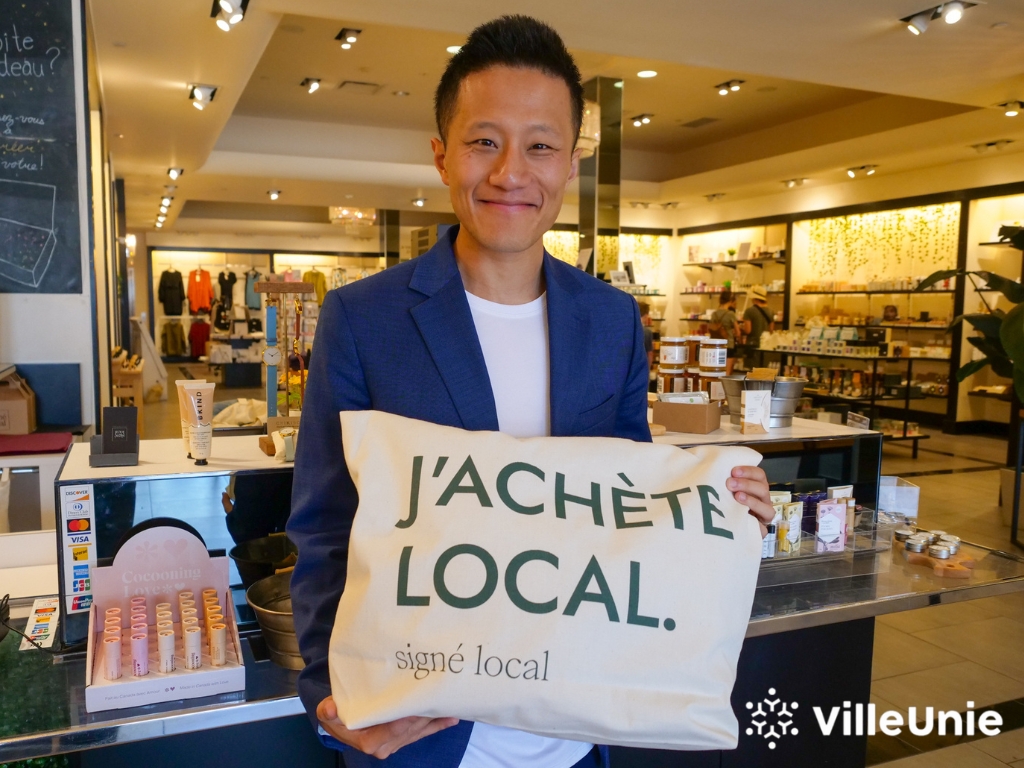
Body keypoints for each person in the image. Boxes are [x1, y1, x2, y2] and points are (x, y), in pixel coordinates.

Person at [287, 15, 774, 768]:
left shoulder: (611, 320)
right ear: (442, 156)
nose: (512, 172)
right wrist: (326, 694)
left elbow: (625, 511)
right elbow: (323, 529)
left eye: (541, 145)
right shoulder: (363, 318)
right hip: (421, 730)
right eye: (485, 141)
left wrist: (721, 514)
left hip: (574, 727)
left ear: (569, 164)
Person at [742, 285, 774, 368]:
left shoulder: (749, 311)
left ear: (754, 298)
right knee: (763, 373)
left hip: (753, 347)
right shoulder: (770, 311)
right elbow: (771, 330)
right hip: (766, 347)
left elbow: (748, 330)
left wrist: (740, 328)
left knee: (752, 373)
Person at [709, 289, 740, 374]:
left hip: (715, 345)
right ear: (730, 301)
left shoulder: (714, 314)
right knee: (726, 372)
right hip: (728, 345)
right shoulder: (730, 314)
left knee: (716, 370)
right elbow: (738, 333)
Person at [637, 300, 654, 371]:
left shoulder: (628, 329)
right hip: (641, 367)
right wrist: (648, 371)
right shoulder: (646, 332)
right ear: (646, 315)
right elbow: (649, 354)